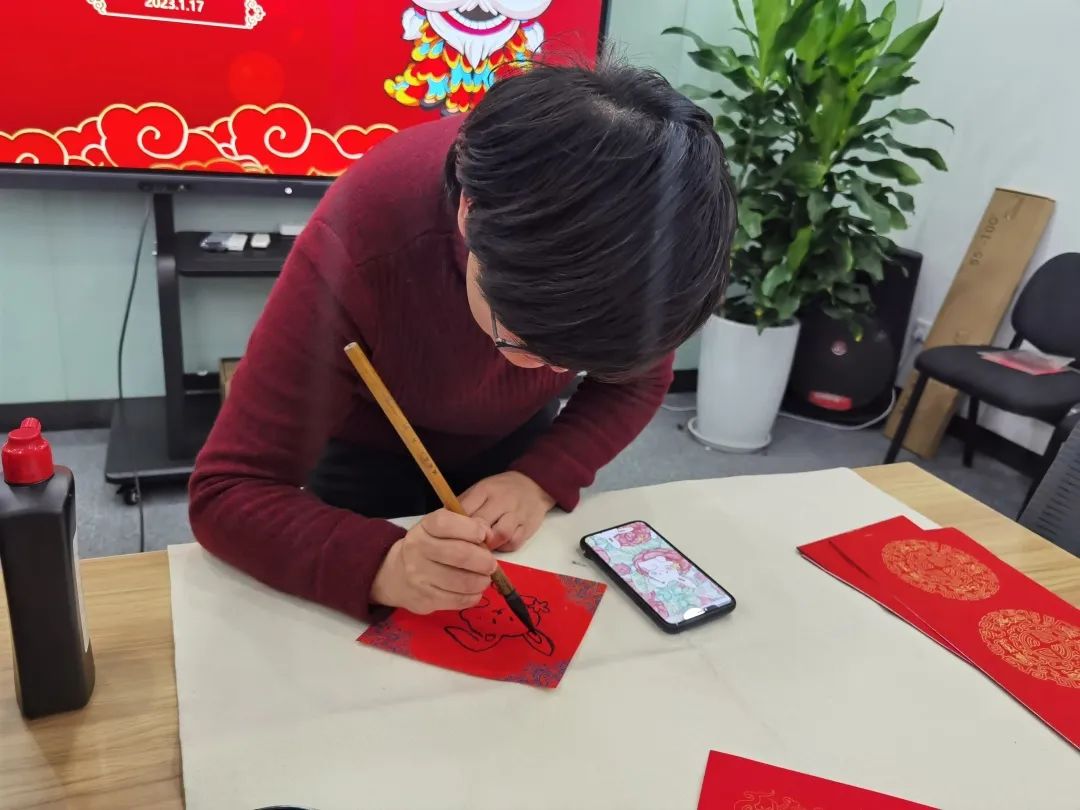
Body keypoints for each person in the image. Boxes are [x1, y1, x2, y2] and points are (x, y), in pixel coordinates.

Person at [188, 58, 737, 622]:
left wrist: (540, 478)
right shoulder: (361, 235)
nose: (547, 373)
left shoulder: (643, 241)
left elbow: (637, 382)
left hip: (514, 444)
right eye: (522, 341)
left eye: (571, 363)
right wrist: (381, 565)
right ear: (468, 213)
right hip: (369, 446)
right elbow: (228, 490)